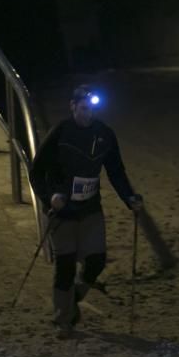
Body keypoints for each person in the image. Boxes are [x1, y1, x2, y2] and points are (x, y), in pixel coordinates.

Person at [29, 85, 143, 338]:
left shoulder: (104, 134)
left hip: (91, 207)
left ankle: (74, 299)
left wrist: (130, 198)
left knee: (96, 261)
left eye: (92, 109)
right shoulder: (61, 132)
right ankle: (62, 319)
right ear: (73, 106)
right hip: (63, 211)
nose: (87, 114)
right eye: (83, 108)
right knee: (65, 265)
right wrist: (50, 198)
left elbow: (116, 171)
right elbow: (36, 171)